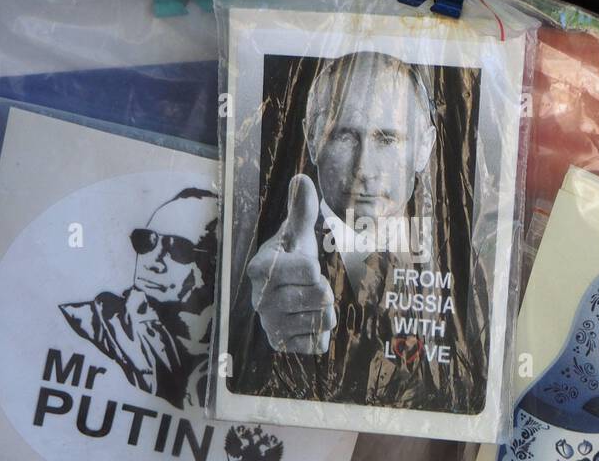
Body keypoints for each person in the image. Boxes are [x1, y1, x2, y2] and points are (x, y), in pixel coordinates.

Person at [230, 50, 486, 414]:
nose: (364, 168)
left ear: (424, 148)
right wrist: (250, 311)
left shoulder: (471, 259)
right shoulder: (266, 254)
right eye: (345, 136)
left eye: (387, 139)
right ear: (312, 137)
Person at [60, 186, 217, 410]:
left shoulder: (238, 359)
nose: (152, 261)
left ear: (215, 264)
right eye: (147, 242)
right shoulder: (95, 325)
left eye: (178, 249)